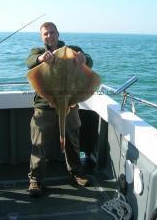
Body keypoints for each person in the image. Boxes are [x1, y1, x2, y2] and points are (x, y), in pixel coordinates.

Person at [25, 22, 93, 197]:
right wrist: (41, 59)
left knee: (72, 138)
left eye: (52, 32)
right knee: (38, 143)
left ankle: (76, 172)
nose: (49, 36)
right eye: (46, 34)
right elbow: (30, 62)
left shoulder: (73, 50)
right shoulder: (38, 52)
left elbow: (89, 61)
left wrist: (84, 58)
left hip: (69, 102)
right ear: (42, 37)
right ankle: (35, 180)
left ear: (58, 33)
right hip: (44, 104)